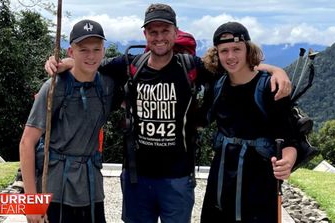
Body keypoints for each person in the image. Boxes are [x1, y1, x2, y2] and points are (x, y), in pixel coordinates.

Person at [44, 4, 292, 223]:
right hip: (136, 179)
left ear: (175, 32)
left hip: (178, 178)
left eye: (165, 31)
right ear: (145, 34)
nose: (159, 37)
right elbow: (92, 65)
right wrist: (64, 63)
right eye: (153, 32)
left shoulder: (191, 67)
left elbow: (235, 67)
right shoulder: (130, 64)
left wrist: (274, 70)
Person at [19, 19, 117, 223]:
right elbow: (27, 142)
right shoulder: (54, 87)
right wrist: (31, 202)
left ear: (103, 51)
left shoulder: (107, 86)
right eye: (83, 50)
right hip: (56, 188)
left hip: (92, 189)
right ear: (71, 52)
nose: (91, 56)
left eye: (96, 49)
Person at [200, 22, 298, 223]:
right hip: (221, 178)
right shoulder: (217, 84)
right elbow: (199, 120)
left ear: (248, 50)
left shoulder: (271, 87)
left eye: (237, 49)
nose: (230, 56)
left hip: (259, 182)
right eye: (224, 51)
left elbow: (289, 137)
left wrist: (287, 161)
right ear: (216, 54)